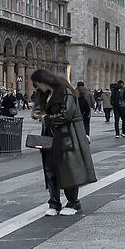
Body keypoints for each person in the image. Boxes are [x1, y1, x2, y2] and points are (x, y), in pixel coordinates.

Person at [30, 69, 97, 216]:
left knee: (67, 168)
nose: (37, 88)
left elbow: (67, 113)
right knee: (50, 168)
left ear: (43, 81)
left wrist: (47, 117)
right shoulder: (46, 94)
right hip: (50, 135)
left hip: (67, 135)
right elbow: (44, 110)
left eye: (37, 84)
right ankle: (54, 202)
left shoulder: (65, 91)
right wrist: (38, 113)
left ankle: (73, 202)